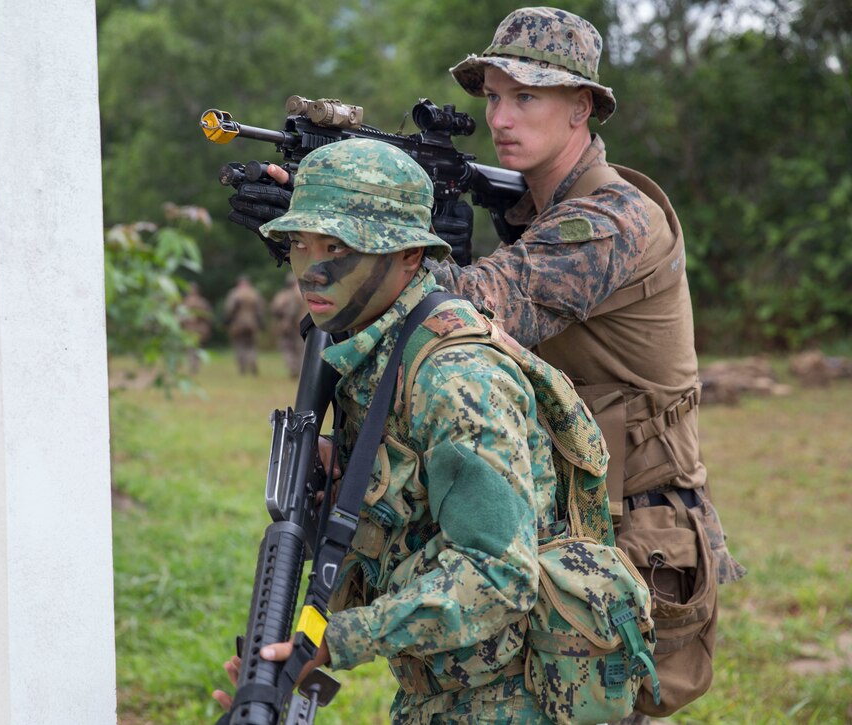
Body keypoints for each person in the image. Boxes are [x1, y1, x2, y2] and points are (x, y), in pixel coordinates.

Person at [224, 8, 744, 720]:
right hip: (551, 514)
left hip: (633, 529)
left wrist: (347, 225)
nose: (501, 114)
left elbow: (469, 304)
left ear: (581, 107)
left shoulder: (615, 218)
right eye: (493, 95)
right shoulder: (528, 210)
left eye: (526, 96)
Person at [213, 137, 596, 722]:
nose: (309, 271)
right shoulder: (377, 349)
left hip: (516, 699)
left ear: (410, 257)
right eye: (297, 244)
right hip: (446, 688)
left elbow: (499, 574)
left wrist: (337, 642)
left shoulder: (455, 378)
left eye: (337, 246)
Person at [222, 274, 266, 375]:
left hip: (238, 324)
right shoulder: (254, 293)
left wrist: (226, 322)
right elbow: (260, 311)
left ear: (239, 283)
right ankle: (252, 362)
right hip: (252, 323)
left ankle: (242, 368)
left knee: (239, 345)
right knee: (251, 345)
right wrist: (261, 323)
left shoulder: (234, 293)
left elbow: (229, 309)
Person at [270, 272, 309, 378]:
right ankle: (301, 370)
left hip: (286, 325)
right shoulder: (303, 293)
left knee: (287, 347)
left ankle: (293, 367)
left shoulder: (282, 295)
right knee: (300, 347)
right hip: (303, 324)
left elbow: (274, 310)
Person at [180, 282, 214, 374]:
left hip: (189, 329)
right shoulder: (203, 302)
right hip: (200, 330)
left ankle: (193, 365)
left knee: (190, 349)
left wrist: (181, 327)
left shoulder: (185, 302)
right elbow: (209, 317)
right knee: (198, 348)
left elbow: (180, 318)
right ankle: (196, 365)